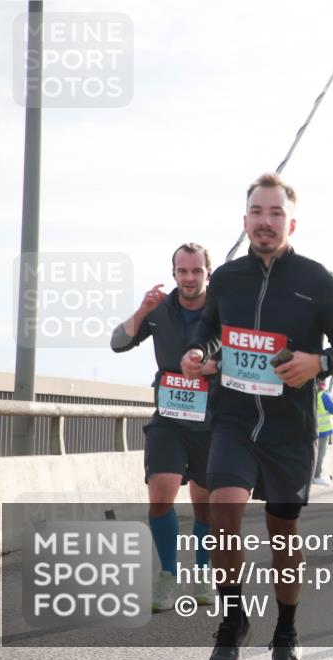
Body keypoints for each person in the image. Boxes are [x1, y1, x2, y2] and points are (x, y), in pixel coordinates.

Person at [181, 173, 333, 660]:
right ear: (245, 221)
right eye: (257, 213)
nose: (265, 222)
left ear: (291, 223)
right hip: (233, 418)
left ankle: (286, 629)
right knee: (223, 511)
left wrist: (318, 363)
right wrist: (199, 350)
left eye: (275, 213)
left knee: (282, 533)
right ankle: (233, 618)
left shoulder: (317, 280)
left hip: (289, 428)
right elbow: (208, 326)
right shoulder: (228, 278)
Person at [111, 243, 215, 612]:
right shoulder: (161, 310)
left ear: (208, 273)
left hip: (210, 422)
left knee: (205, 507)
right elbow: (118, 343)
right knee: (161, 495)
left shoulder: (221, 311)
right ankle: (168, 575)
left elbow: (246, 359)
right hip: (169, 420)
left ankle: (203, 573)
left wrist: (214, 368)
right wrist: (143, 309)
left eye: (196, 271)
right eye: (182, 272)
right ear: (174, 274)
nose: (189, 278)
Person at [312, 379, 333, 486]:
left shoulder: (312, 393)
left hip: (312, 429)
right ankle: (317, 476)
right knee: (320, 454)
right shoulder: (323, 396)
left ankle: (312, 476)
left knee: (312, 454)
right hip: (323, 431)